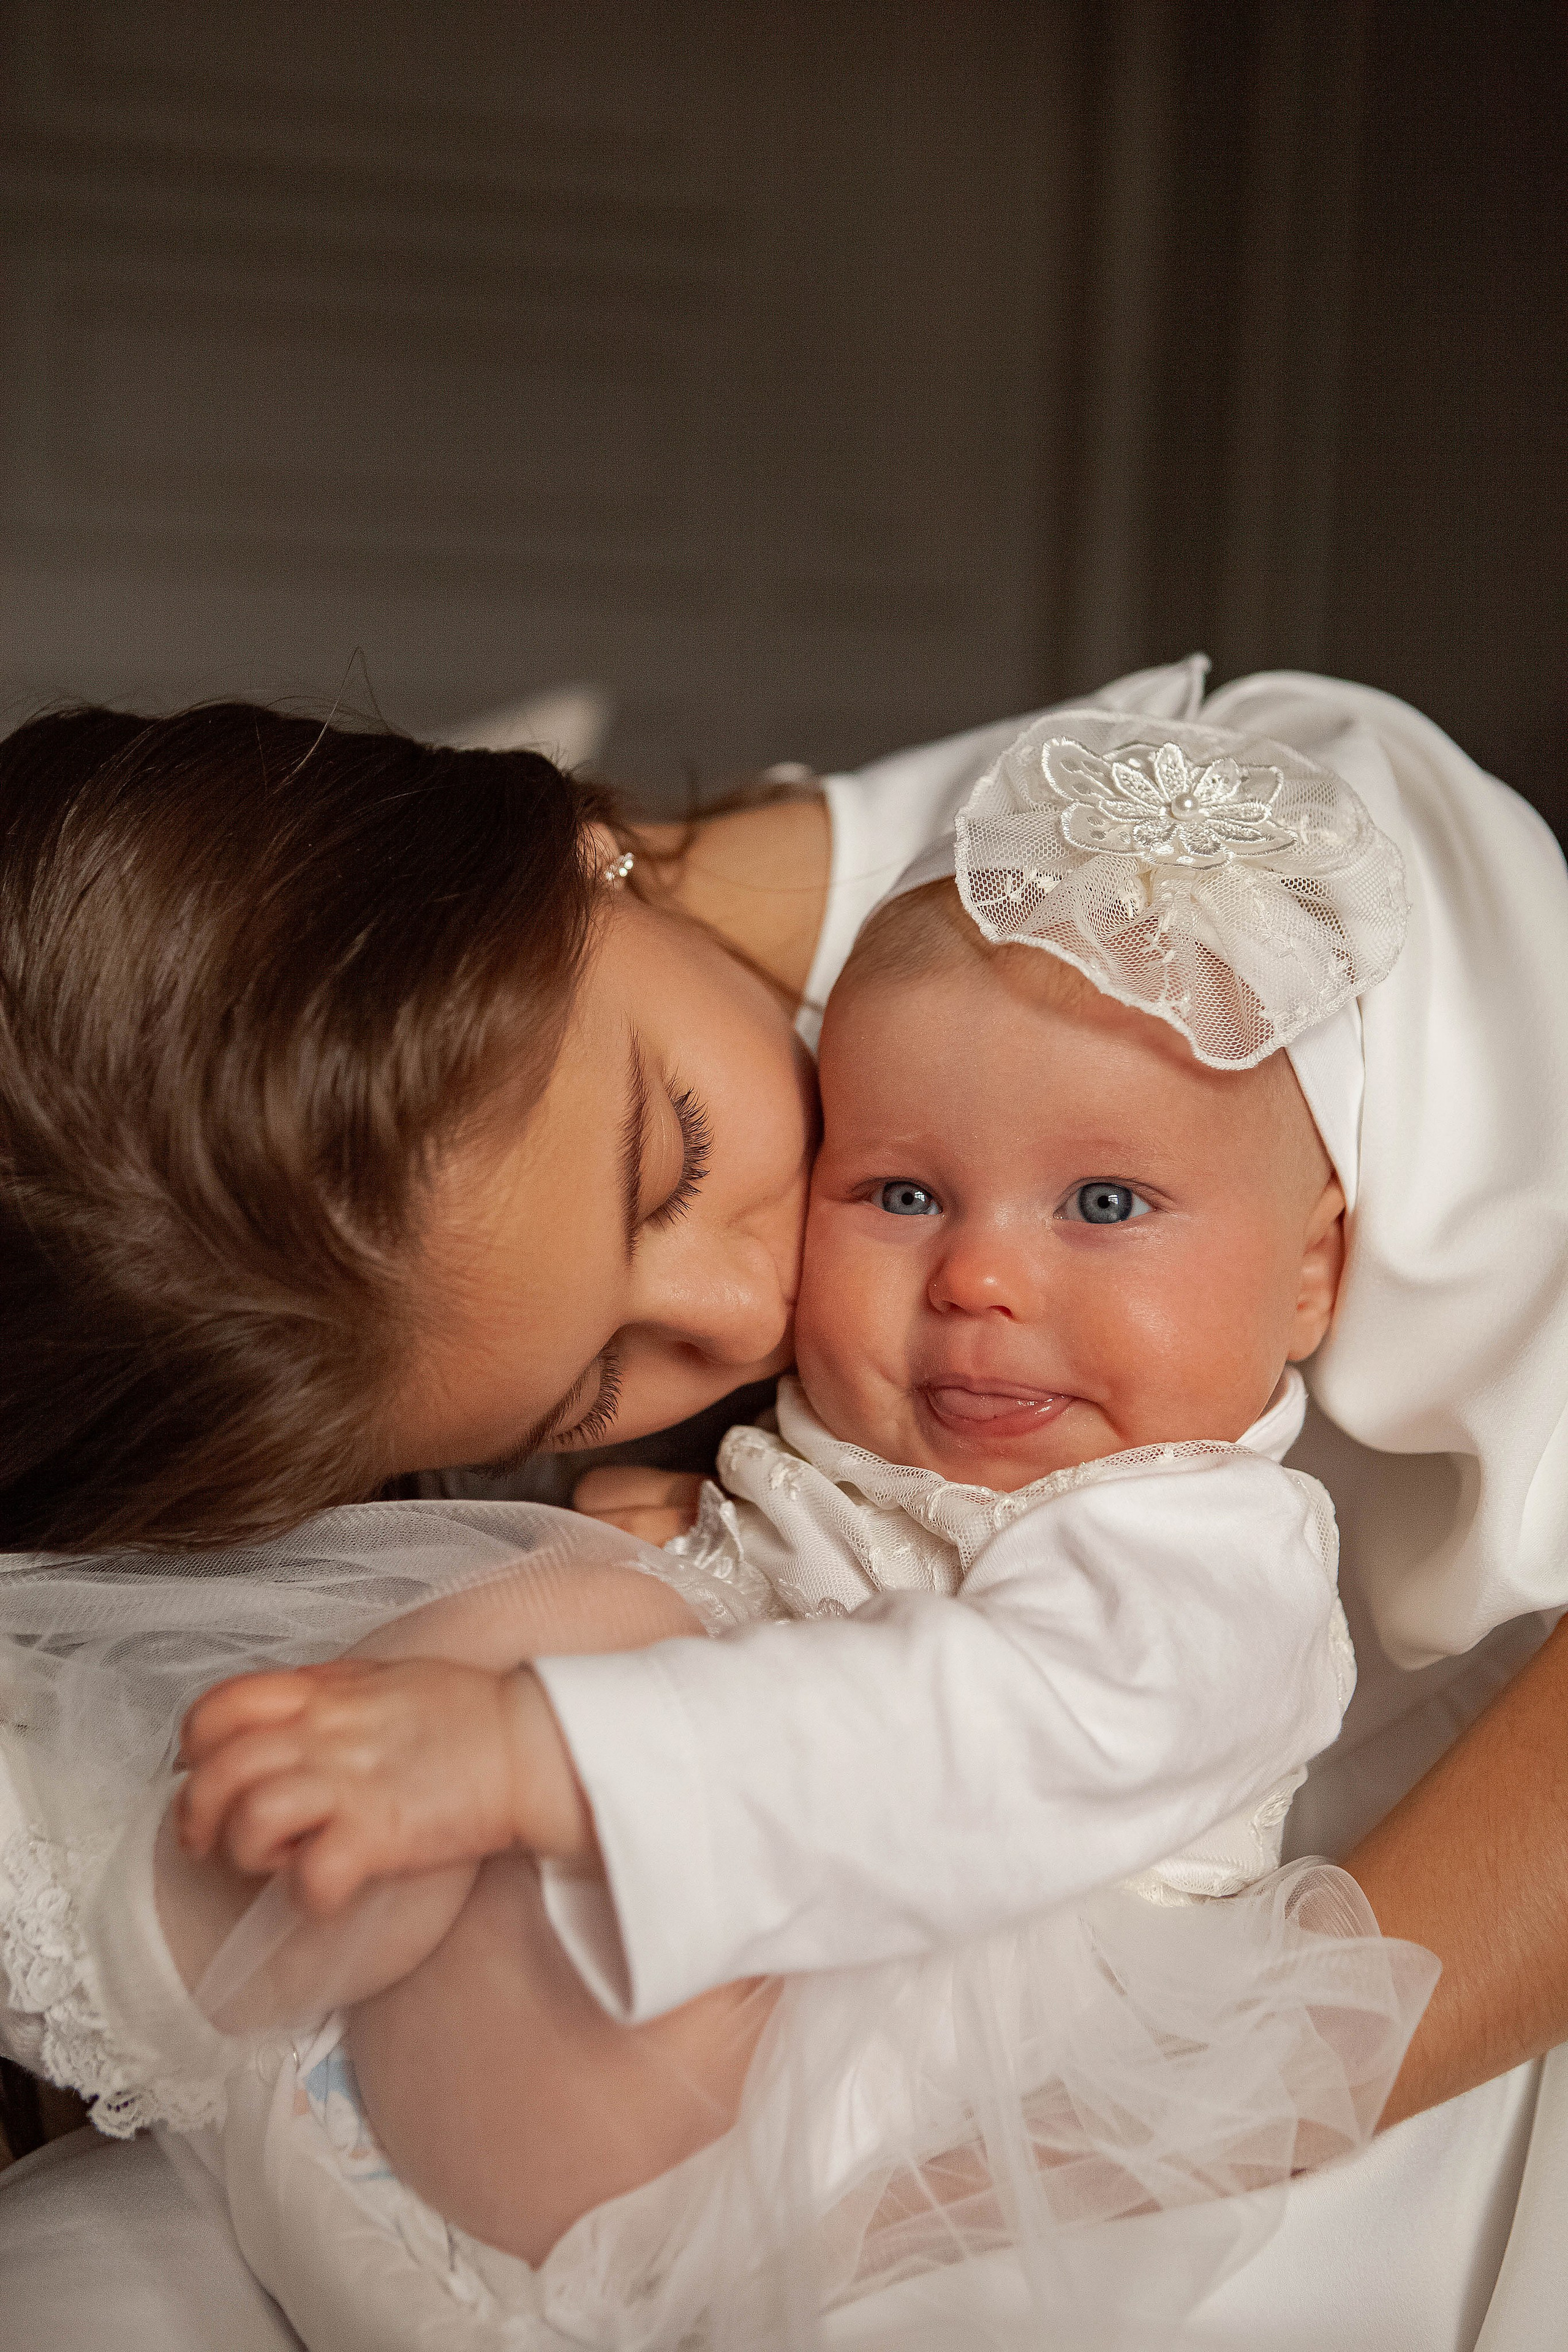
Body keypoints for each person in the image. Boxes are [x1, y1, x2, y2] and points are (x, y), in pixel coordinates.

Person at [1, 660, 1567, 2351]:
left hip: (942, 2075)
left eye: (671, 1162)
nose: (753, 1310)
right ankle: (158, 1938)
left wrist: (549, 1739)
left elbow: (985, 1731)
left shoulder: (1235, 934)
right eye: (594, 1383)